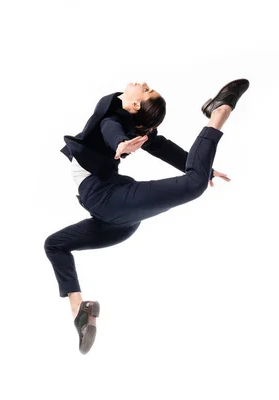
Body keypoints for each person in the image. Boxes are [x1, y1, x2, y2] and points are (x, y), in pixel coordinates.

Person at [44, 79, 250, 354]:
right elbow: (111, 129)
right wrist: (120, 143)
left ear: (135, 104)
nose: (143, 83)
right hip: (114, 218)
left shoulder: (122, 122)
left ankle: (218, 114)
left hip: (112, 204)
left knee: (195, 183)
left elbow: (159, 146)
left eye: (147, 89)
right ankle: (79, 312)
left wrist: (207, 169)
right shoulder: (114, 117)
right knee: (55, 244)